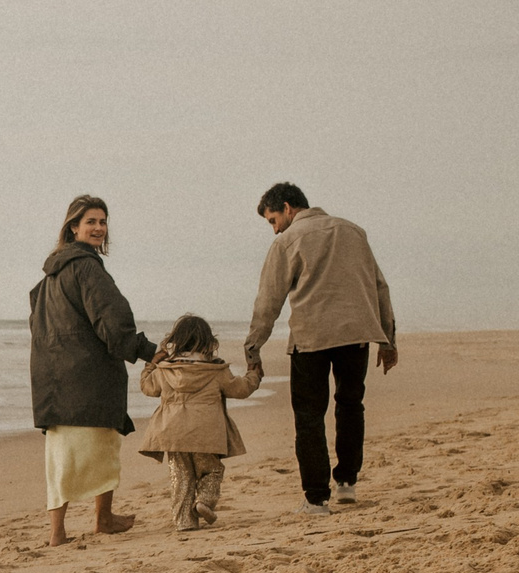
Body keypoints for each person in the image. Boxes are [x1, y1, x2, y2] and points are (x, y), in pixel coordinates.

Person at [243, 182, 397, 516]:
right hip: (356, 335)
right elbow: (379, 285)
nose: (274, 229)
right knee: (350, 405)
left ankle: (316, 498)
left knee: (309, 418)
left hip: (310, 339)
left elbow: (268, 300)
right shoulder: (354, 232)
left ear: (287, 208)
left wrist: (253, 347)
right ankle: (346, 484)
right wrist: (388, 338)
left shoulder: (287, 241)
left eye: (272, 220)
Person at [31, 194, 156, 546]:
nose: (99, 228)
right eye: (91, 222)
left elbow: (37, 326)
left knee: (60, 459)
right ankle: (103, 519)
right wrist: (148, 352)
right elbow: (113, 322)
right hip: (88, 376)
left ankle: (58, 532)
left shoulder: (50, 274)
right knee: (103, 447)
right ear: (73, 227)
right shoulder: (86, 267)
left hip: (53, 379)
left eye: (103, 222)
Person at [138, 314, 262, 531]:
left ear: (175, 340)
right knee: (211, 471)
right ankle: (204, 501)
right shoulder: (216, 370)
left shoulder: (165, 370)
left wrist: (151, 364)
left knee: (181, 477)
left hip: (172, 432)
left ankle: (184, 521)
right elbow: (240, 390)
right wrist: (254, 376)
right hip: (205, 432)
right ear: (208, 342)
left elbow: (148, 388)